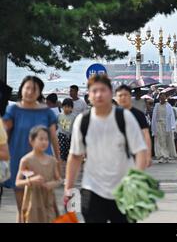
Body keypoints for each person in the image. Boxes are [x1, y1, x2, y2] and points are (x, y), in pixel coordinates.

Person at [64, 75, 147, 223]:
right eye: (94, 91)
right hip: (92, 189)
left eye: (103, 90)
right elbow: (75, 156)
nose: (99, 94)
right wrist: (68, 187)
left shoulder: (125, 118)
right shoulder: (82, 121)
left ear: (111, 93)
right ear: (89, 96)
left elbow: (140, 151)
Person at [2, 76, 60, 223]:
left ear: (39, 92)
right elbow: (4, 133)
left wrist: (59, 161)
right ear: (21, 89)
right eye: (26, 88)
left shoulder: (47, 112)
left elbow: (53, 137)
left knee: (42, 206)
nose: (29, 92)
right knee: (22, 208)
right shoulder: (13, 109)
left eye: (34, 89)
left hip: (43, 163)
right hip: (19, 161)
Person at [15, 126, 62, 223]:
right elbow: (18, 182)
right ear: (31, 140)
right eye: (41, 139)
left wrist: (51, 184)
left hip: (48, 202)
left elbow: (59, 180)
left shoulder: (52, 161)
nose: (44, 142)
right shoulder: (26, 160)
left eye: (46, 139)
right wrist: (31, 180)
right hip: (32, 203)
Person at [115, 85, 152, 167]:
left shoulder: (139, 115)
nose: (123, 98)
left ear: (129, 96)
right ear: (116, 98)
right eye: (120, 95)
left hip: (136, 151)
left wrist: (148, 155)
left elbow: (146, 134)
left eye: (125, 95)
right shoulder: (112, 115)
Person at [152, 92, 177, 163]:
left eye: (163, 96)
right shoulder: (157, 105)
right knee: (160, 141)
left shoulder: (168, 106)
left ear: (166, 98)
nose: (162, 98)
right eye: (161, 96)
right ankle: (161, 155)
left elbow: (171, 116)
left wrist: (173, 126)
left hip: (166, 125)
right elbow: (154, 117)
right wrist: (154, 127)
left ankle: (166, 155)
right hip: (158, 125)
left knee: (166, 140)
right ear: (159, 98)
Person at [57, 98, 76, 167]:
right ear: (62, 107)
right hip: (61, 135)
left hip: (70, 135)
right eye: (65, 107)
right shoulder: (59, 115)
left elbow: (75, 127)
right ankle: (62, 162)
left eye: (68, 107)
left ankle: (68, 162)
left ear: (72, 108)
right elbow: (57, 125)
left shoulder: (73, 116)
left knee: (69, 149)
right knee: (61, 149)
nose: (66, 108)